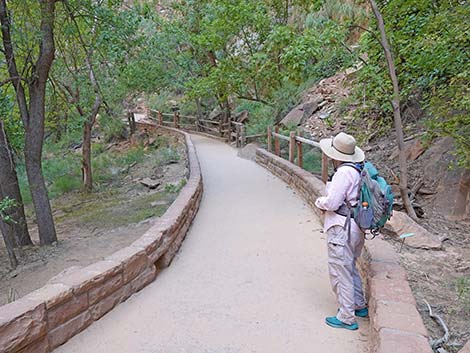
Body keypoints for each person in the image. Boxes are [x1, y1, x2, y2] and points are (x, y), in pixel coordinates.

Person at [314, 132, 368, 330]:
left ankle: (346, 316)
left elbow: (332, 202)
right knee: (350, 266)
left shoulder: (343, 173)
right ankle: (358, 304)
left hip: (341, 228)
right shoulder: (358, 169)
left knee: (340, 270)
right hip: (356, 226)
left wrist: (319, 201)